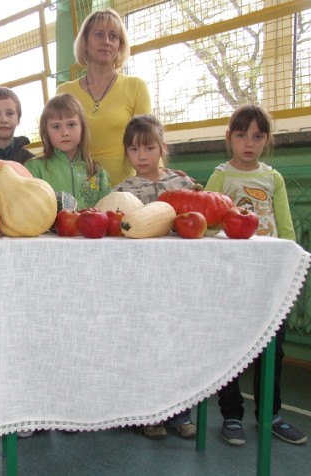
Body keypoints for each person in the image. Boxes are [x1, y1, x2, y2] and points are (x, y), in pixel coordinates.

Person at [205, 104, 306, 446]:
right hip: (232, 280)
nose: (249, 142)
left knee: (272, 348)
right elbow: (207, 225)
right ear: (229, 138)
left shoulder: (273, 178)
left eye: (258, 136)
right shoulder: (221, 177)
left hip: (268, 280)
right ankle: (231, 414)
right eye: (241, 135)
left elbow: (286, 229)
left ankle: (272, 415)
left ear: (267, 140)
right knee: (231, 347)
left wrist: (285, 267)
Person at [113, 114, 197, 440]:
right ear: (127, 153)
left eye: (149, 147)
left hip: (177, 282)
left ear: (162, 147)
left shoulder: (184, 183)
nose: (142, 156)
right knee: (144, 346)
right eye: (134, 149)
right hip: (140, 284)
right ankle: (148, 414)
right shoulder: (123, 191)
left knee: (177, 347)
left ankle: (180, 413)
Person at [56, 8, 151, 187]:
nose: (106, 41)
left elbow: (148, 140)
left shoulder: (136, 86)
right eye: (99, 34)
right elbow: (57, 147)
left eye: (113, 36)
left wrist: (158, 178)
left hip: (127, 190)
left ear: (120, 47)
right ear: (84, 43)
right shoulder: (64, 92)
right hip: (78, 190)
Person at [25, 94, 111, 209]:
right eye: (56, 127)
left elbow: (109, 210)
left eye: (71, 125)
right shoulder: (33, 170)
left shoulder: (98, 172)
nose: (65, 132)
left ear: (82, 128)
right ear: (46, 131)